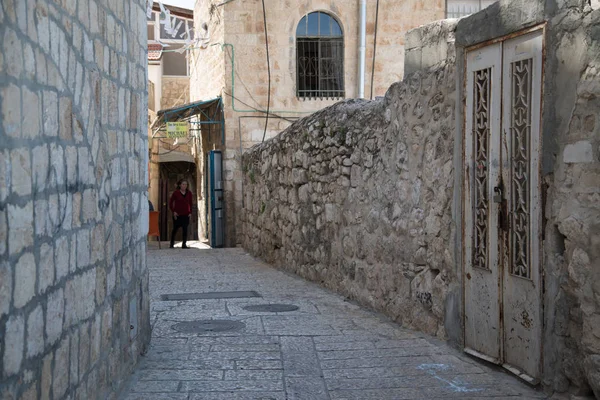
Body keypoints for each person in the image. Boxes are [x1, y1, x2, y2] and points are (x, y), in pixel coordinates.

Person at [169, 179, 193, 249]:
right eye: (183, 184)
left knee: (185, 229)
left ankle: (184, 244)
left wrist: (190, 212)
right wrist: (173, 211)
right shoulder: (176, 193)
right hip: (177, 215)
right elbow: (171, 203)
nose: (184, 186)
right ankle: (171, 243)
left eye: (186, 184)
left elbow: (191, 203)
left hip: (186, 214)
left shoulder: (189, 193)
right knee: (175, 229)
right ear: (180, 185)